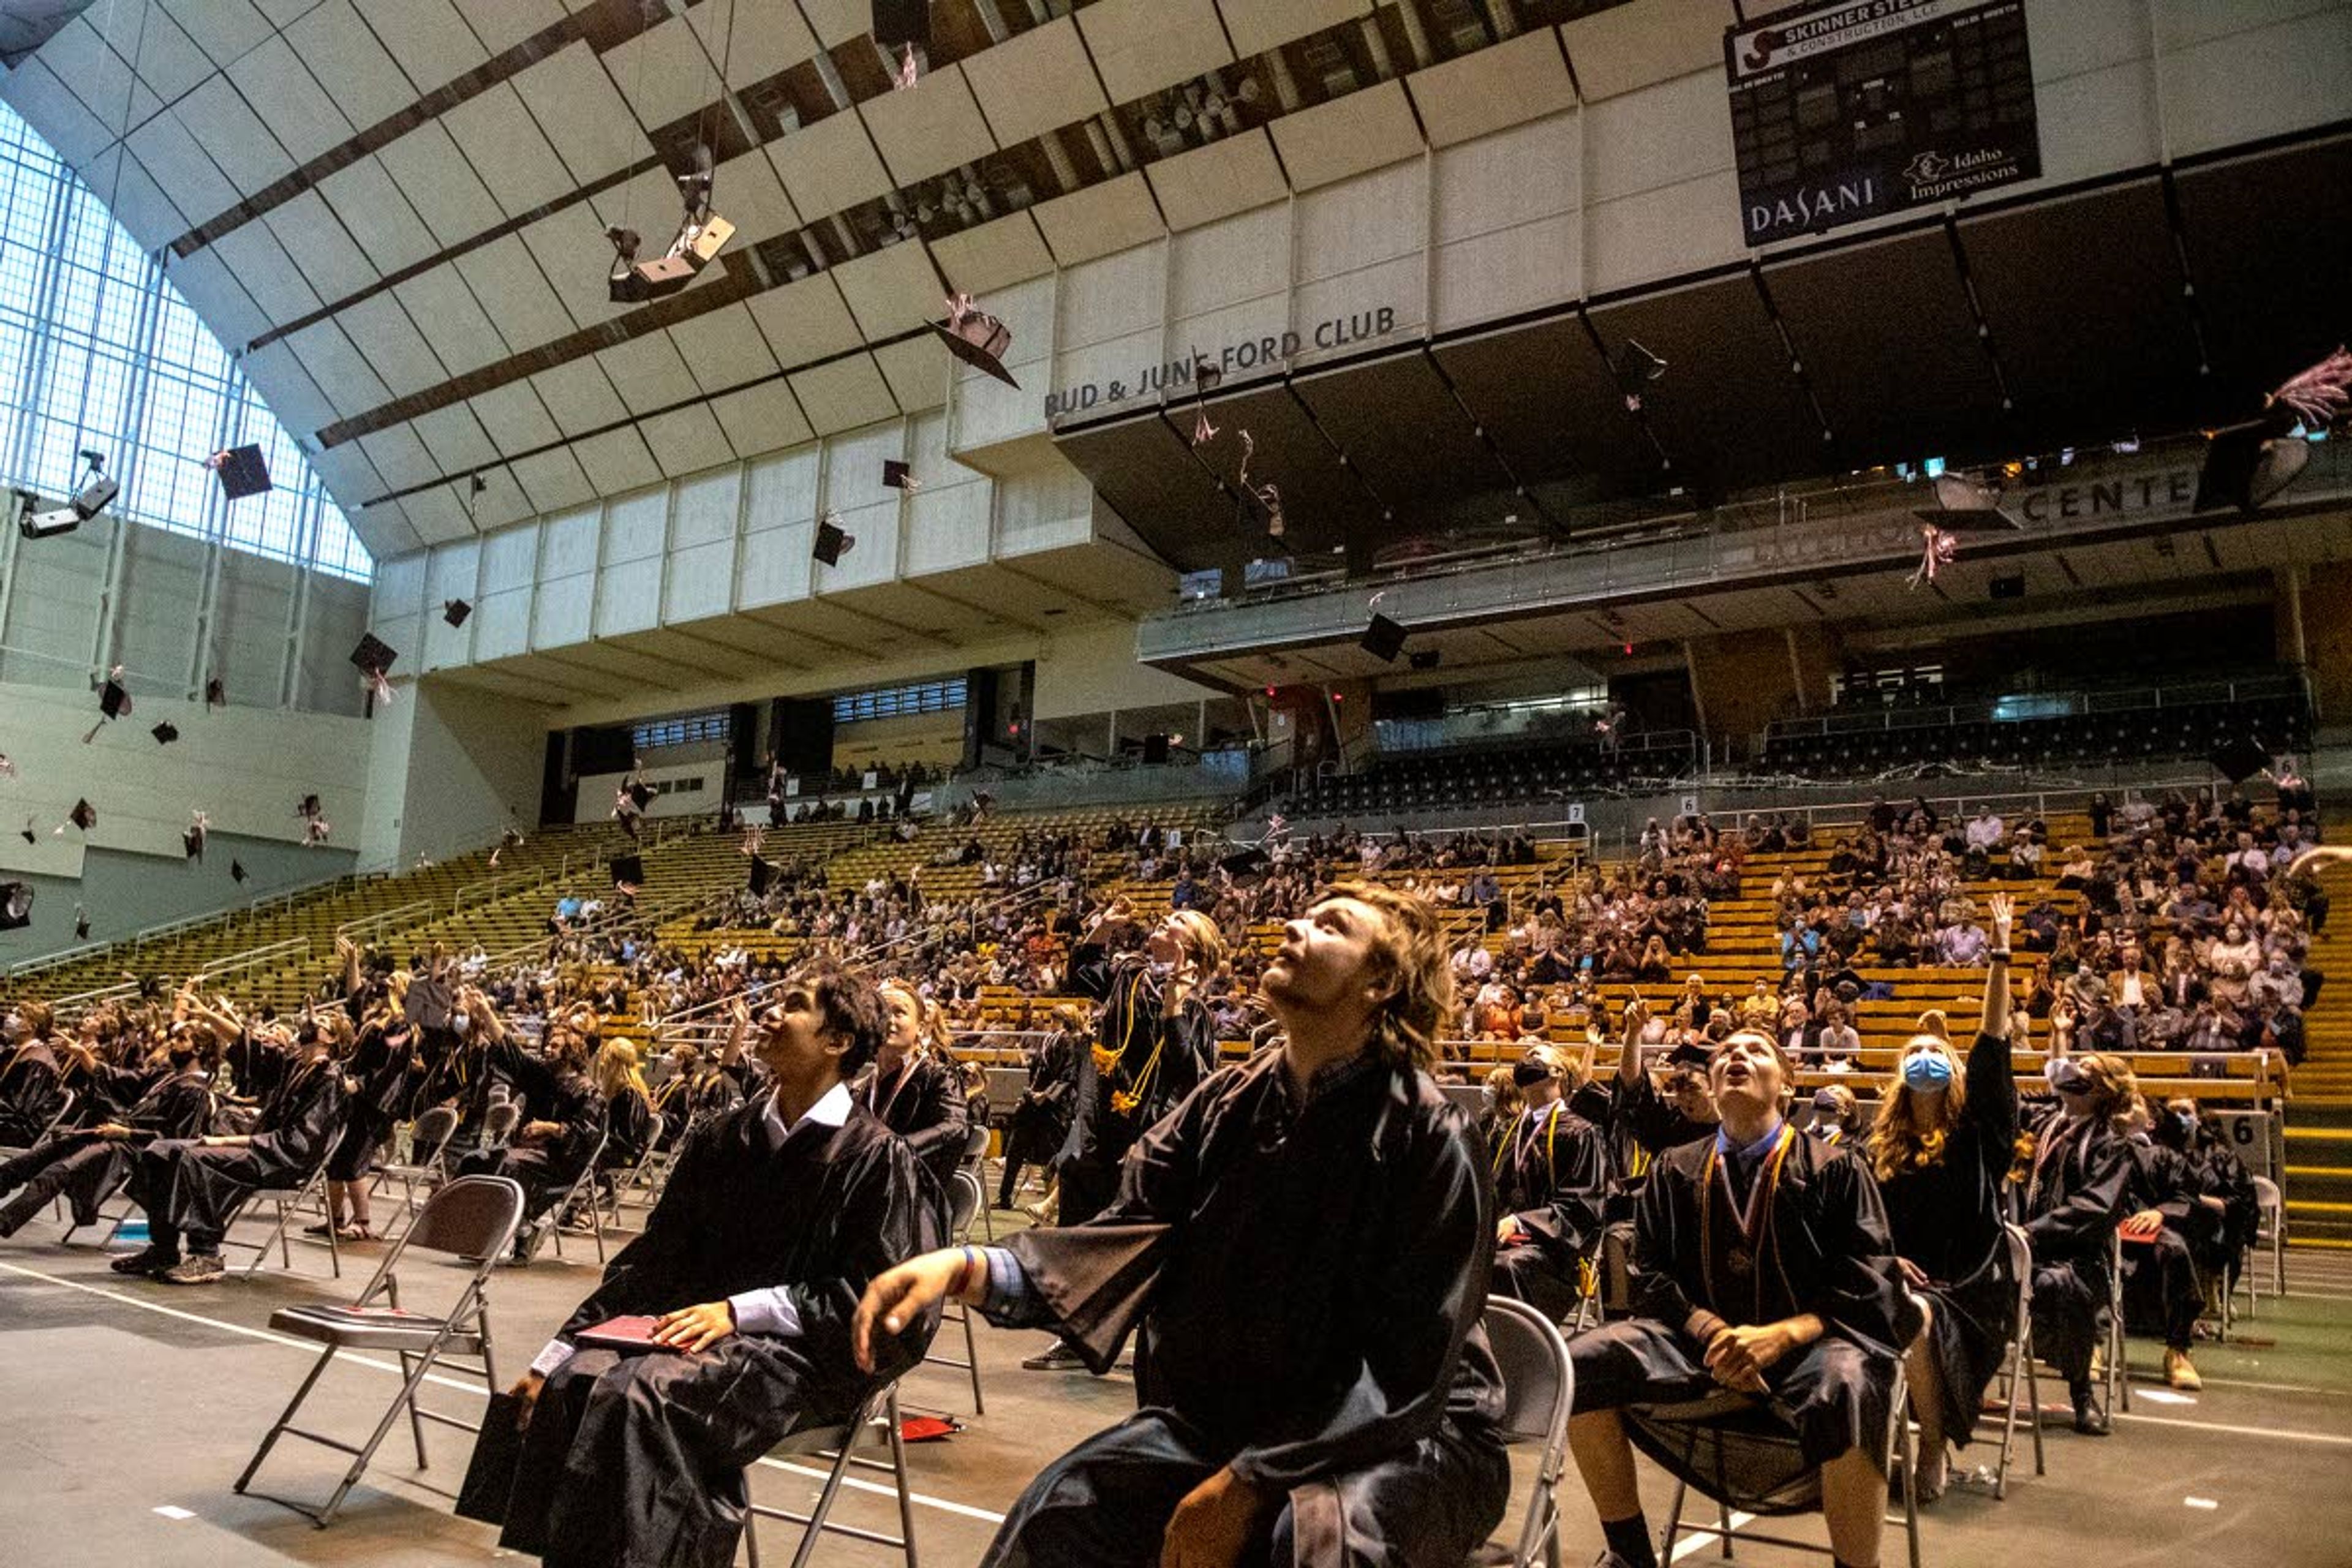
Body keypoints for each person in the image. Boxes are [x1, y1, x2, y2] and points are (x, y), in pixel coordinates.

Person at [851, 884, 1511, 1567]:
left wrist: (1252, 1479)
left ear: (1382, 982)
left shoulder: (1432, 1134)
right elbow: (1125, 1233)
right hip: (1238, 1417)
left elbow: (1409, 1369)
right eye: (1303, 914)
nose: (1292, 925)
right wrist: (968, 1267)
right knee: (1065, 1507)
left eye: (1330, 926)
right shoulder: (1224, 1107)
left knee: (1317, 1540)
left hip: (1404, 1437)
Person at [478, 965, 941, 1568]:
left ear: (837, 1041)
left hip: (804, 1355)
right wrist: (555, 1352)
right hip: (692, 1340)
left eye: (793, 1006)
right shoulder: (724, 1138)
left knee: (639, 1396)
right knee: (576, 1381)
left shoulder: (875, 1157)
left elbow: (889, 1304)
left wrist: (738, 1311)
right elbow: (650, 1263)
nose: (770, 1014)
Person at [1561, 1027, 1907, 1568]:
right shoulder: (1675, 1168)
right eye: (1724, 1054)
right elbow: (1648, 1274)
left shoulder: (1836, 1168)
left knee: (1853, 1384)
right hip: (1701, 1345)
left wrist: (1782, 1334)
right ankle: (1630, 1554)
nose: (1735, 1057)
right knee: (1580, 1362)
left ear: (1788, 1087)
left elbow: (1870, 1281)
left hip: (1809, 1349)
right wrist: (1711, 1331)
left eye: (1755, 1050)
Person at [1865, 893, 2019, 1499]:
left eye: (1936, 1052)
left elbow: (1992, 1044)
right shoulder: (1875, 1143)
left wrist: (2000, 955)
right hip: (1889, 1279)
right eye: (1916, 1053)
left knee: (1918, 1314)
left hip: (1963, 1289)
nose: (1926, 1057)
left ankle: (1930, 1446)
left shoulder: (1977, 1132)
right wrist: (1881, 1262)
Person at [1028, 901, 1223, 1371]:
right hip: (1100, 1130)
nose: (1167, 919)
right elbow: (1082, 970)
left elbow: (1195, 1079)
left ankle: (1152, 1342)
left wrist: (1175, 1009)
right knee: (1081, 1234)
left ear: (1194, 949)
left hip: (1150, 1139)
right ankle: (1077, 1339)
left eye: (1179, 921)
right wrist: (1106, 924)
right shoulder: (1129, 975)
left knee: (1136, 1244)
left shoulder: (1197, 1010)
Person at [114, 1017, 349, 1284]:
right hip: (261, 1147)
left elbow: (298, 1144)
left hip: (281, 1160)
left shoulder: (329, 1081)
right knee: (161, 1151)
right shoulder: (296, 1065)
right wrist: (210, 1016)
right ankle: (163, 1249)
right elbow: (249, 1047)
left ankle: (206, 1255)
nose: (311, 1022)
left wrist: (225, 1142)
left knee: (195, 1158)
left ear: (331, 1038)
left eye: (321, 1022)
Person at [0, 1025, 216, 1237]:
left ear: (199, 1049)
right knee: (29, 1161)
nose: (173, 1044)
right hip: (112, 1134)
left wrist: (127, 1133)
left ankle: (4, 1222)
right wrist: (82, 1054)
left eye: (181, 1040)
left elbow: (177, 1138)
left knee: (55, 1173)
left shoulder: (195, 1091)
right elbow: (120, 1078)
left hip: (135, 1149)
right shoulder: (167, 1076)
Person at [2020, 1047, 2135, 1434]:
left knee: (2062, 1287)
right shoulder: (2047, 1124)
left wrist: (2035, 1233)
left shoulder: (2111, 1144)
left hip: (2077, 1255)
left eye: (2087, 1070)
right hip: (2027, 1247)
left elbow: (2095, 1208)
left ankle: (2082, 1395)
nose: (2075, 1071)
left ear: (2103, 1090)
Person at [456, 999, 608, 1259]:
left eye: (555, 1046)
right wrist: (486, 1012)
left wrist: (550, 1128)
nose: (547, 1049)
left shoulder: (589, 1092)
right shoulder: (542, 1078)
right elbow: (512, 1054)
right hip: (528, 1154)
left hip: (561, 1161)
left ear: (572, 1053)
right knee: (476, 1160)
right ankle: (478, 1234)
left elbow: (588, 1138)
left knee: (508, 1164)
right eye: (548, 1044)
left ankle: (506, 1234)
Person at [1491, 1042, 1607, 1322]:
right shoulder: (1508, 1132)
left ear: (1558, 1073)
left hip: (1554, 1252)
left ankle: (1517, 1355)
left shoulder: (1581, 1133)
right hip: (1501, 1238)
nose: (1528, 1058)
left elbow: (1582, 1206)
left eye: (1537, 1056)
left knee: (1503, 1266)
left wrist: (1520, 1223)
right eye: (1526, 1055)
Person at [862, 979, 970, 1197]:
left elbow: (955, 1128)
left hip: (912, 1200)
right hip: (864, 1192)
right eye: (881, 1011)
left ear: (921, 1028)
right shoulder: (860, 1088)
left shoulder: (939, 1077)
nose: (889, 1020)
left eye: (899, 1012)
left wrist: (895, 1150)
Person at [998, 1005, 1078, 1209]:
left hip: (1054, 1106)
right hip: (1033, 1102)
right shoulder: (1047, 1039)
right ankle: (1005, 1196)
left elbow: (1067, 1076)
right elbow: (1037, 1071)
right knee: (1016, 1148)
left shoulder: (1068, 1040)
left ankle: (1051, 1204)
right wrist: (1029, 1094)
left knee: (1054, 1154)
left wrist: (1047, 1096)